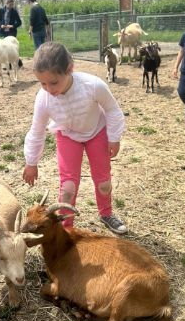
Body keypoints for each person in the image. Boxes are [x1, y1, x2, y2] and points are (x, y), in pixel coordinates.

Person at [22, 42, 128, 234]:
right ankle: (66, 227)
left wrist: (114, 137)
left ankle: (106, 213)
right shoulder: (44, 98)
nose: (48, 89)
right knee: (68, 187)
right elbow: (37, 130)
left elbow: (112, 110)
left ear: (69, 69)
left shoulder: (92, 85)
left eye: (53, 82)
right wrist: (31, 162)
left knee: (103, 182)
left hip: (96, 132)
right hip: (67, 135)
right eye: (42, 83)